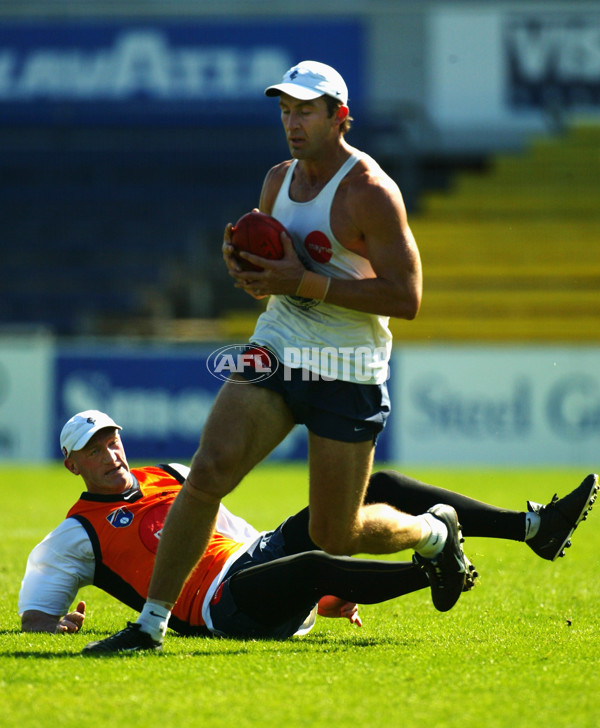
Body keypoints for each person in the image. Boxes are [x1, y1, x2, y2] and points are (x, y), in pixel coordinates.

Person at [85, 60, 594, 654]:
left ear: (339, 117)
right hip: (277, 347)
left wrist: (300, 281)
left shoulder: (370, 192)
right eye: (285, 110)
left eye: (305, 110)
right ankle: (149, 626)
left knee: (336, 532)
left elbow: (407, 297)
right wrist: (248, 273)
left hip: (348, 367)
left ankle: (432, 530)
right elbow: (277, 273)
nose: (292, 122)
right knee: (207, 474)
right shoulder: (277, 181)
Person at [21, 410, 479, 648]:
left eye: (111, 441)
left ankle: (525, 525)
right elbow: (35, 614)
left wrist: (317, 599)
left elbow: (242, 538)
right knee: (316, 566)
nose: (109, 455)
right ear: (71, 464)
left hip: (251, 565)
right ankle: (433, 568)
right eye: (93, 450)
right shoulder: (76, 532)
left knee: (364, 496)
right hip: (221, 610)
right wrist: (53, 625)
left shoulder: (171, 473)